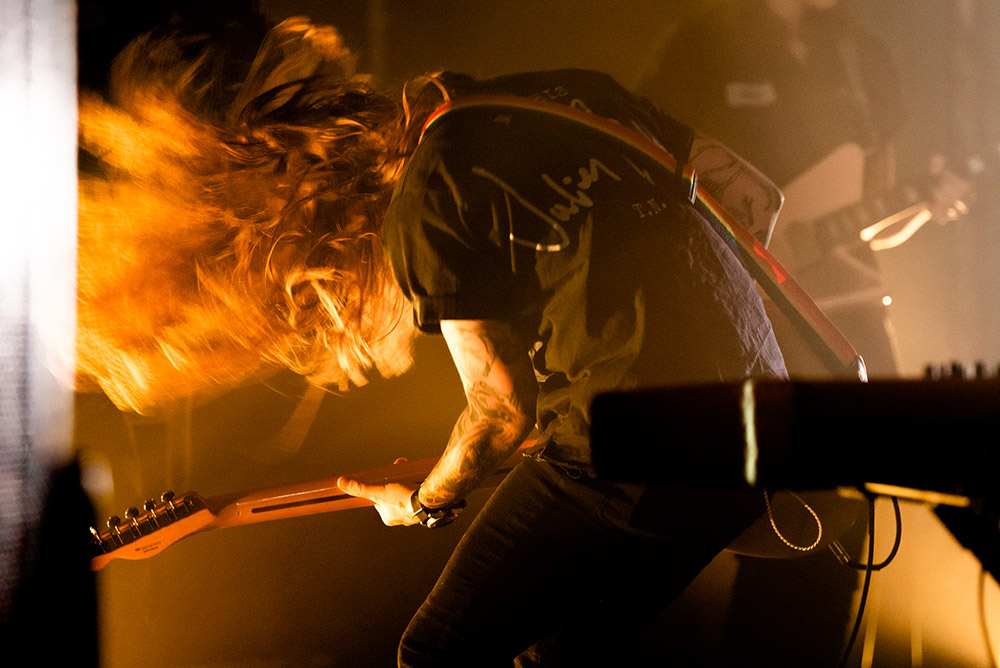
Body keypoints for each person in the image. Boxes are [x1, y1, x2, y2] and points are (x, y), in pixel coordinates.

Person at [78, 16, 788, 666]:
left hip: (624, 461)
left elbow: (501, 415)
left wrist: (424, 500)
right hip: (754, 432)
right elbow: (755, 196)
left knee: (435, 655)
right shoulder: (573, 93)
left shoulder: (428, 198)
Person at [636, 1, 905, 665]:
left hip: (843, 317)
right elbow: (644, 161)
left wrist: (920, 204)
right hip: (741, 315)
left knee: (851, 522)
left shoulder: (861, 55)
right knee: (775, 525)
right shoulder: (700, 44)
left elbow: (876, 191)